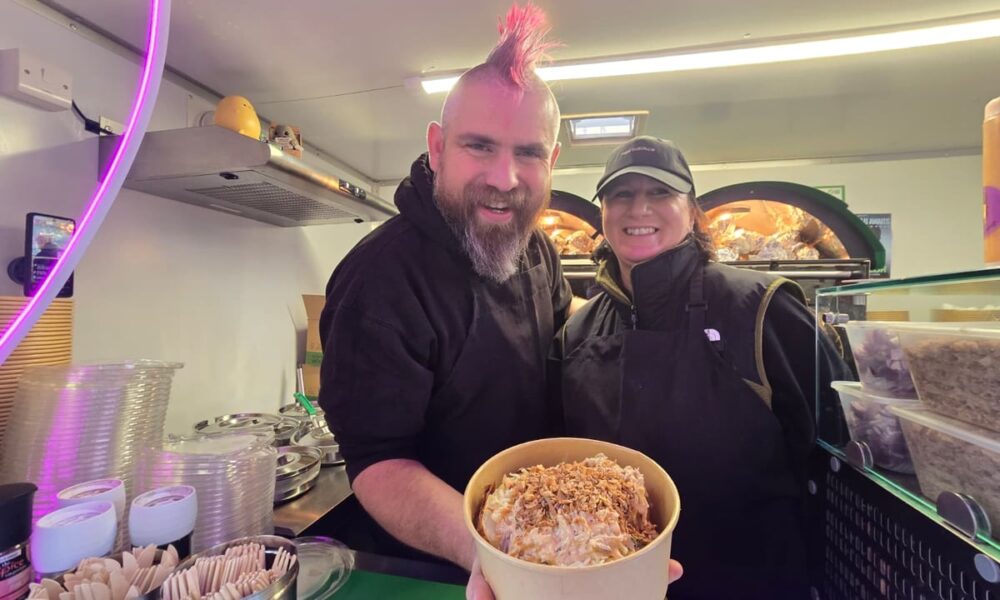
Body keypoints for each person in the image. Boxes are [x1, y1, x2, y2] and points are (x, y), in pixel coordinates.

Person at [318, 0, 573, 575]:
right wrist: (487, 553)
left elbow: (562, 341)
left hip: (541, 545)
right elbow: (379, 463)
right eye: (479, 146)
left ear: (552, 161)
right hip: (442, 566)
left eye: (528, 152)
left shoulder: (538, 250)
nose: (504, 180)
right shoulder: (381, 281)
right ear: (437, 148)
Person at [552, 136, 848, 599]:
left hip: (751, 582)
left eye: (660, 193)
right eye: (622, 194)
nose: (639, 209)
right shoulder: (579, 331)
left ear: (691, 211)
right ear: (603, 213)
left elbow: (840, 455)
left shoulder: (761, 308)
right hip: (617, 583)